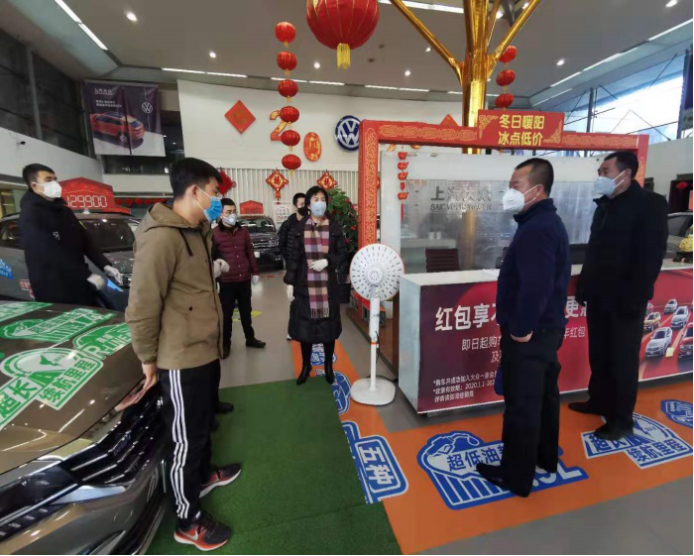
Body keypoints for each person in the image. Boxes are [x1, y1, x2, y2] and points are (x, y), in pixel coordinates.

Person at [125, 158, 240, 552]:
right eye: (215, 191)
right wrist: (147, 359)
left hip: (204, 348)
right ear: (195, 191)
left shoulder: (198, 230)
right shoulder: (161, 237)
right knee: (185, 440)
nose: (218, 200)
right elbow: (142, 304)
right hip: (179, 357)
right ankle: (187, 520)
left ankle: (204, 476)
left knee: (203, 425)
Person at [477, 158, 571, 499]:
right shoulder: (545, 221)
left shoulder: (537, 228)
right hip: (546, 331)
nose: (509, 192)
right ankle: (544, 458)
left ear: (537, 189)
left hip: (530, 334)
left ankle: (515, 475)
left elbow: (535, 286)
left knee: (522, 404)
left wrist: (520, 329)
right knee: (543, 398)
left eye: (515, 185)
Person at [571, 151, 669, 441]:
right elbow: (595, 249)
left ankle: (622, 419)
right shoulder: (605, 205)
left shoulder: (649, 204)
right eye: (599, 172)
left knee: (622, 360)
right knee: (600, 354)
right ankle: (599, 401)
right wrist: (584, 284)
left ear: (625, 174)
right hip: (599, 294)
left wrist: (635, 297)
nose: (600, 177)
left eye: (605, 171)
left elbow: (651, 256)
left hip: (626, 298)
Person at [19, 164, 121, 306]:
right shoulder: (31, 214)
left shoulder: (63, 210)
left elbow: (85, 240)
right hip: (54, 287)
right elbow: (49, 252)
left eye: (55, 179)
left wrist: (104, 265)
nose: (54, 183)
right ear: (35, 186)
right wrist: (87, 274)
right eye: (48, 180)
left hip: (77, 282)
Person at [285, 186, 347, 386]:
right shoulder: (299, 228)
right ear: (309, 204)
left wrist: (328, 261)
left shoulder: (334, 227)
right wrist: (290, 282)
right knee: (306, 331)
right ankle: (306, 366)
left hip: (327, 288)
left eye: (323, 199)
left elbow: (342, 254)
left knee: (328, 331)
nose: (320, 203)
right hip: (305, 286)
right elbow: (294, 257)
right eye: (315, 199)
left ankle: (328, 367)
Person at [213, 198, 266, 360]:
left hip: (244, 280)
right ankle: (225, 344)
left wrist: (255, 272)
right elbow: (212, 258)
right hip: (226, 282)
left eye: (234, 211)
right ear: (221, 214)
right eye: (228, 212)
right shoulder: (214, 234)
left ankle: (250, 338)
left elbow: (249, 252)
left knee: (246, 312)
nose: (232, 215)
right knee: (226, 315)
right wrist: (215, 280)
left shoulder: (243, 232)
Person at [279, 193, 306, 341]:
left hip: (309, 267)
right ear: (295, 206)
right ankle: (292, 330)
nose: (304, 207)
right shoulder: (288, 224)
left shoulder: (312, 222)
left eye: (306, 204)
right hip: (294, 267)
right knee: (295, 300)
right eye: (301, 204)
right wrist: (290, 260)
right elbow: (282, 244)